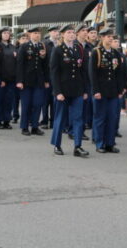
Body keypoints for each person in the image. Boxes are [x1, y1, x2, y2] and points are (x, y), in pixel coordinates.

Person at [49, 24, 89, 157]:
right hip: (63, 91)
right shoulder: (58, 50)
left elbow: (83, 71)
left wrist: (84, 90)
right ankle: (57, 145)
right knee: (60, 118)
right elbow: (54, 73)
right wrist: (58, 92)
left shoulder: (79, 49)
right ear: (63, 35)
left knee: (78, 119)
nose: (71, 35)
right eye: (69, 33)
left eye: (73, 32)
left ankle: (77, 146)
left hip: (77, 89)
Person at [89, 27, 123, 154]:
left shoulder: (116, 53)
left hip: (113, 91)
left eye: (112, 36)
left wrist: (120, 90)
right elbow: (93, 73)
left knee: (112, 118)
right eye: (108, 36)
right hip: (101, 91)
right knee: (100, 117)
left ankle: (110, 143)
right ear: (102, 38)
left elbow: (118, 73)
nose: (110, 38)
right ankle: (100, 143)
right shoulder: (97, 52)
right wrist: (96, 90)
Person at [16, 27, 49, 136]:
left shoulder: (41, 46)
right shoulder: (24, 46)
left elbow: (45, 65)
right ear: (30, 34)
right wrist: (19, 81)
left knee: (38, 104)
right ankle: (24, 127)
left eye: (39, 33)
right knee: (26, 104)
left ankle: (35, 126)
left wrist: (46, 80)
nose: (37, 35)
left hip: (39, 81)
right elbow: (19, 65)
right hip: (26, 81)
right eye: (35, 33)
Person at [0, 27, 17, 130]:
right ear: (0, 34)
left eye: (8, 33)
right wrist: (1, 79)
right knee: (0, 100)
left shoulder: (12, 47)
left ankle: (6, 120)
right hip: (1, 78)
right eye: (4, 33)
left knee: (9, 101)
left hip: (11, 78)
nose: (6, 35)